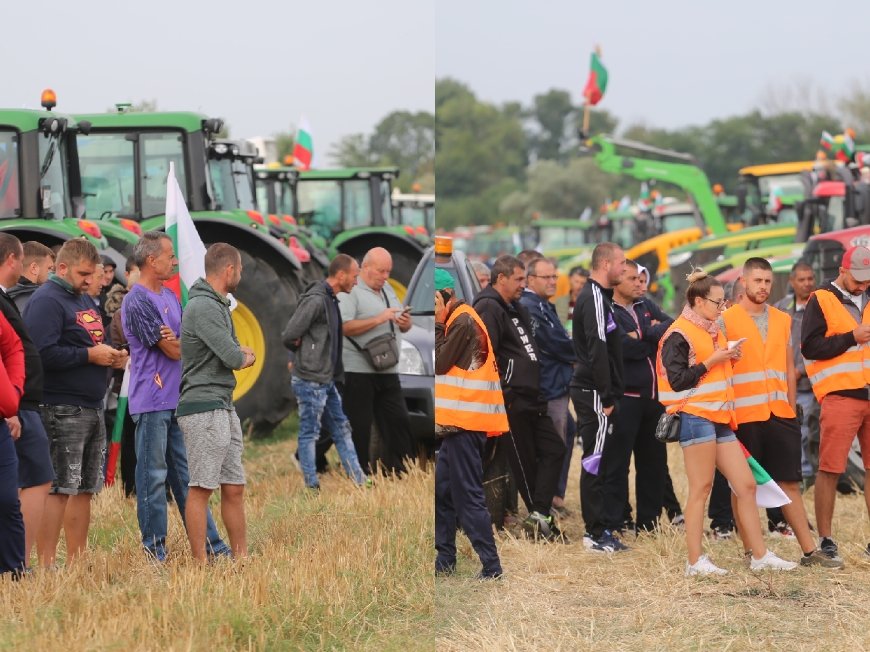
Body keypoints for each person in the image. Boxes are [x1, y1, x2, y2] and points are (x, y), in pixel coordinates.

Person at [657, 268, 796, 575]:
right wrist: (714, 360)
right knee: (701, 488)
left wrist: (728, 357)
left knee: (746, 484)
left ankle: (759, 555)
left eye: (723, 304)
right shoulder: (677, 333)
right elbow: (677, 379)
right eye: (717, 303)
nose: (722, 310)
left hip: (720, 417)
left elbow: (713, 370)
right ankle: (694, 561)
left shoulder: (711, 330)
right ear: (697, 301)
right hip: (696, 417)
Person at [721, 257, 840, 568]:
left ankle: (810, 551)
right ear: (744, 283)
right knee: (742, 486)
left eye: (767, 281)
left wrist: (789, 408)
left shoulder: (782, 319)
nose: (763, 287)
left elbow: (788, 368)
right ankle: (752, 551)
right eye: (757, 281)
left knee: (789, 482)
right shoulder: (726, 320)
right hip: (743, 417)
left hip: (780, 414)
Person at [122, 232, 231, 561]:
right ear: (151, 260)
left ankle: (212, 548)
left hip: (176, 400)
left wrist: (182, 343)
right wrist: (182, 343)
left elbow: (184, 345)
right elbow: (172, 348)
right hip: (152, 402)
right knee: (152, 478)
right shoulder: (137, 300)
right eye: (170, 256)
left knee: (187, 478)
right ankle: (154, 554)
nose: (175, 261)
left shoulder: (170, 298)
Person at [25, 238, 128, 567]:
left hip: (91, 404)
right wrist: (90, 355)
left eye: (92, 273)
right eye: (83, 273)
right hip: (60, 406)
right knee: (59, 487)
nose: (89, 280)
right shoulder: (47, 301)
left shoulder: (82, 300)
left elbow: (93, 342)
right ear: (63, 267)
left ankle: (76, 560)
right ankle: (46, 563)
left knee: (85, 487)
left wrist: (111, 357)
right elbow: (41, 354)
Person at [473, 255, 565, 541]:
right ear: (501, 278)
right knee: (524, 464)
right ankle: (540, 523)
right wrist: (506, 391)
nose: (523, 286)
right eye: (519, 280)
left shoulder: (514, 307)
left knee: (555, 449)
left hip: (532, 397)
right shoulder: (488, 307)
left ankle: (539, 515)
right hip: (511, 401)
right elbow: (484, 355)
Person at [177, 243, 254, 562]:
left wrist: (241, 354)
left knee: (233, 485)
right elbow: (235, 355)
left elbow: (234, 352)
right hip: (203, 406)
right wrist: (244, 355)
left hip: (222, 403)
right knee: (202, 487)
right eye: (241, 269)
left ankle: (242, 557)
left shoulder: (218, 304)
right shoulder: (205, 307)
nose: (241, 275)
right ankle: (199, 562)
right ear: (229, 270)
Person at [434, 269, 507, 579]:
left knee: (468, 496)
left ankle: (491, 566)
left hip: (465, 424)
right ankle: (445, 561)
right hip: (456, 426)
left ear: (446, 296)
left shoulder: (462, 321)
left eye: (433, 302)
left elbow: (437, 363)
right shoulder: (461, 319)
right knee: (443, 492)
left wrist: (437, 326)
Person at [801, 245, 870, 563]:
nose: (862, 285)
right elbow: (811, 347)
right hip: (841, 395)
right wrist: (850, 337)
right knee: (830, 469)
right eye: (858, 279)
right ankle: (826, 540)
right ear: (843, 270)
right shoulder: (821, 299)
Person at [281, 253, 367, 490]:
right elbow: (290, 334)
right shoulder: (317, 300)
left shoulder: (330, 299)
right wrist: (301, 355)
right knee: (310, 432)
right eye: (354, 276)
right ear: (341, 275)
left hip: (326, 379)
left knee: (341, 428)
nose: (356, 281)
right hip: (311, 379)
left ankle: (360, 481)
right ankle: (311, 485)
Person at [0, 235, 54, 568]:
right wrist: (13, 403)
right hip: (17, 408)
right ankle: (17, 560)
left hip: (17, 403)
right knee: (36, 477)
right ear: (11, 260)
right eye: (20, 260)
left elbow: (14, 350)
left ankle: (15, 562)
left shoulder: (6, 299)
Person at [571, 243, 628, 552]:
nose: (624, 268)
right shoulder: (593, 296)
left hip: (599, 391)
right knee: (594, 459)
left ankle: (602, 526)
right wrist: (607, 395)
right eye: (621, 263)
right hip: (592, 391)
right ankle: (594, 533)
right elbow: (597, 349)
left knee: (601, 459)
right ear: (606, 264)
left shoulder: (603, 298)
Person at [339, 247, 415, 474]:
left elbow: (404, 323)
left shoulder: (387, 288)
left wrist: (404, 322)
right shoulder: (351, 290)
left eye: (388, 272)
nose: (385, 277)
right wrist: (380, 318)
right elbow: (344, 326)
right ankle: (359, 471)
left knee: (398, 420)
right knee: (359, 425)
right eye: (381, 271)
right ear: (365, 268)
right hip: (359, 369)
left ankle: (403, 469)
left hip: (388, 367)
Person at [610, 260, 672, 532]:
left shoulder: (646, 306)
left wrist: (644, 334)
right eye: (632, 279)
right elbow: (622, 348)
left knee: (654, 464)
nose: (639, 283)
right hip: (625, 398)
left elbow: (670, 327)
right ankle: (620, 518)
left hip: (653, 398)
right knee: (618, 464)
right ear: (617, 281)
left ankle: (649, 522)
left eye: (640, 278)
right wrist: (648, 340)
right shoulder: (608, 309)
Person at [518, 257, 576, 517]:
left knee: (560, 441)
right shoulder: (530, 307)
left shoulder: (544, 305)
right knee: (551, 449)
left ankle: (550, 500)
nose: (553, 281)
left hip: (557, 385)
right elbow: (554, 343)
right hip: (549, 386)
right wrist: (580, 351)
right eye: (547, 277)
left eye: (555, 276)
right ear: (531, 280)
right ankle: (544, 505)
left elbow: (561, 339)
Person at [774, 261, 817, 486]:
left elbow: (823, 345)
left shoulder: (820, 307)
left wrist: (800, 370)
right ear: (792, 282)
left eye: (810, 278)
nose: (807, 283)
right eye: (801, 279)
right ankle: (799, 475)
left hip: (811, 384)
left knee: (808, 431)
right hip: (785, 384)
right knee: (794, 431)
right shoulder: (781, 308)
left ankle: (808, 474)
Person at [106, 258, 140, 496]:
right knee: (129, 439)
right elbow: (117, 350)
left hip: (154, 386)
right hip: (128, 386)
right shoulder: (119, 314)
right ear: (127, 274)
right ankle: (130, 488)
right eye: (137, 272)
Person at [8, 241, 54, 313]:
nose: (52, 273)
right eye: (49, 268)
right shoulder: (39, 299)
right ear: (34, 268)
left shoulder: (6, 290)